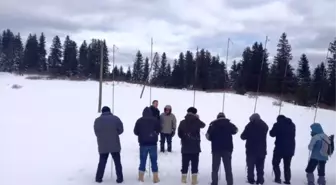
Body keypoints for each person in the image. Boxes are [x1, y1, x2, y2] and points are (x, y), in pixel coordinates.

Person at [94, 106, 124, 183]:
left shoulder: (97, 120)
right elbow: (121, 130)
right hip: (115, 144)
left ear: (102, 112)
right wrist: (115, 133)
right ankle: (120, 178)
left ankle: (98, 178)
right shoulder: (116, 118)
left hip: (103, 145)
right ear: (109, 111)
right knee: (117, 162)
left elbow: (96, 132)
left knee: (102, 162)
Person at [206, 112, 238, 185]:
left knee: (215, 168)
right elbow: (236, 130)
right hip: (227, 149)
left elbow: (208, 136)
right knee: (228, 168)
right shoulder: (229, 124)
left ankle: (214, 182)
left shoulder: (213, 125)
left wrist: (212, 139)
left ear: (217, 117)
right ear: (224, 117)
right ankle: (230, 183)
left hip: (216, 149)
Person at [178, 107, 206, 185]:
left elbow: (179, 134)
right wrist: (197, 119)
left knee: (185, 164)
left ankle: (183, 180)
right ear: (195, 113)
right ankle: (194, 181)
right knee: (195, 164)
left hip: (185, 146)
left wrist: (184, 136)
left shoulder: (182, 122)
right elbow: (203, 125)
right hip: (195, 147)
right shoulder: (197, 121)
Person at [134, 107, 161, 183]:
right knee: (154, 161)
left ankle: (141, 177)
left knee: (142, 161)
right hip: (153, 143)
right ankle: (155, 178)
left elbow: (135, 131)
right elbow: (159, 129)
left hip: (143, 144)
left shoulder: (139, 121)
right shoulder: (155, 120)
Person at [241, 113, 268, 185]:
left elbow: (243, 136)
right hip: (262, 150)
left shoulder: (249, 126)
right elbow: (266, 130)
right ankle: (260, 180)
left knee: (250, 166)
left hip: (251, 150)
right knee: (260, 167)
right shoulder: (264, 125)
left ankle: (251, 180)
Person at [269, 115, 296, 184]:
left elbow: (272, 134)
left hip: (279, 148)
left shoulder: (277, 124)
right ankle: (287, 180)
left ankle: (277, 178)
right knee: (287, 165)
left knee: (275, 163)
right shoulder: (292, 125)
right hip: (290, 149)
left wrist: (272, 129)